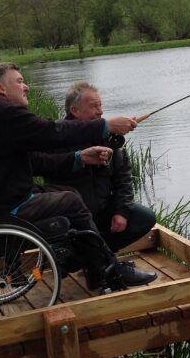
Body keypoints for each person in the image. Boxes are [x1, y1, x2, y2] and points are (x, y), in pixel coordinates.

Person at [0, 62, 157, 288]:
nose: (25, 87)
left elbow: (36, 161)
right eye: (19, 81)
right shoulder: (0, 112)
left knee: (68, 196)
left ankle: (100, 267)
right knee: (71, 199)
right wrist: (104, 126)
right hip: (2, 208)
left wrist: (79, 158)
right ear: (0, 88)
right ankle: (109, 270)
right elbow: (51, 132)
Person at [31, 81, 157, 253]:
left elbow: (123, 179)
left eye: (100, 105)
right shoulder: (56, 137)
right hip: (70, 215)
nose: (101, 111)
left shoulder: (107, 137)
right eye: (94, 106)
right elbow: (44, 167)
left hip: (102, 209)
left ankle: (99, 257)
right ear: (74, 111)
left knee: (145, 217)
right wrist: (79, 159)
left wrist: (121, 212)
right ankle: (89, 260)